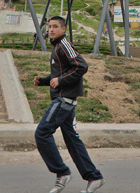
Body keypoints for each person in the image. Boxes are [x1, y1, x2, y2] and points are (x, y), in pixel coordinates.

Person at [33, 16, 104, 193]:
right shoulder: (57, 47)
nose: (51, 29)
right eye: (49, 26)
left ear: (63, 29)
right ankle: (94, 177)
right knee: (72, 140)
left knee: (42, 132)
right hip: (64, 97)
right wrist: (43, 81)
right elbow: (60, 75)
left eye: (55, 26)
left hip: (64, 99)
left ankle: (62, 173)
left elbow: (81, 66)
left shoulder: (64, 45)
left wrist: (61, 81)